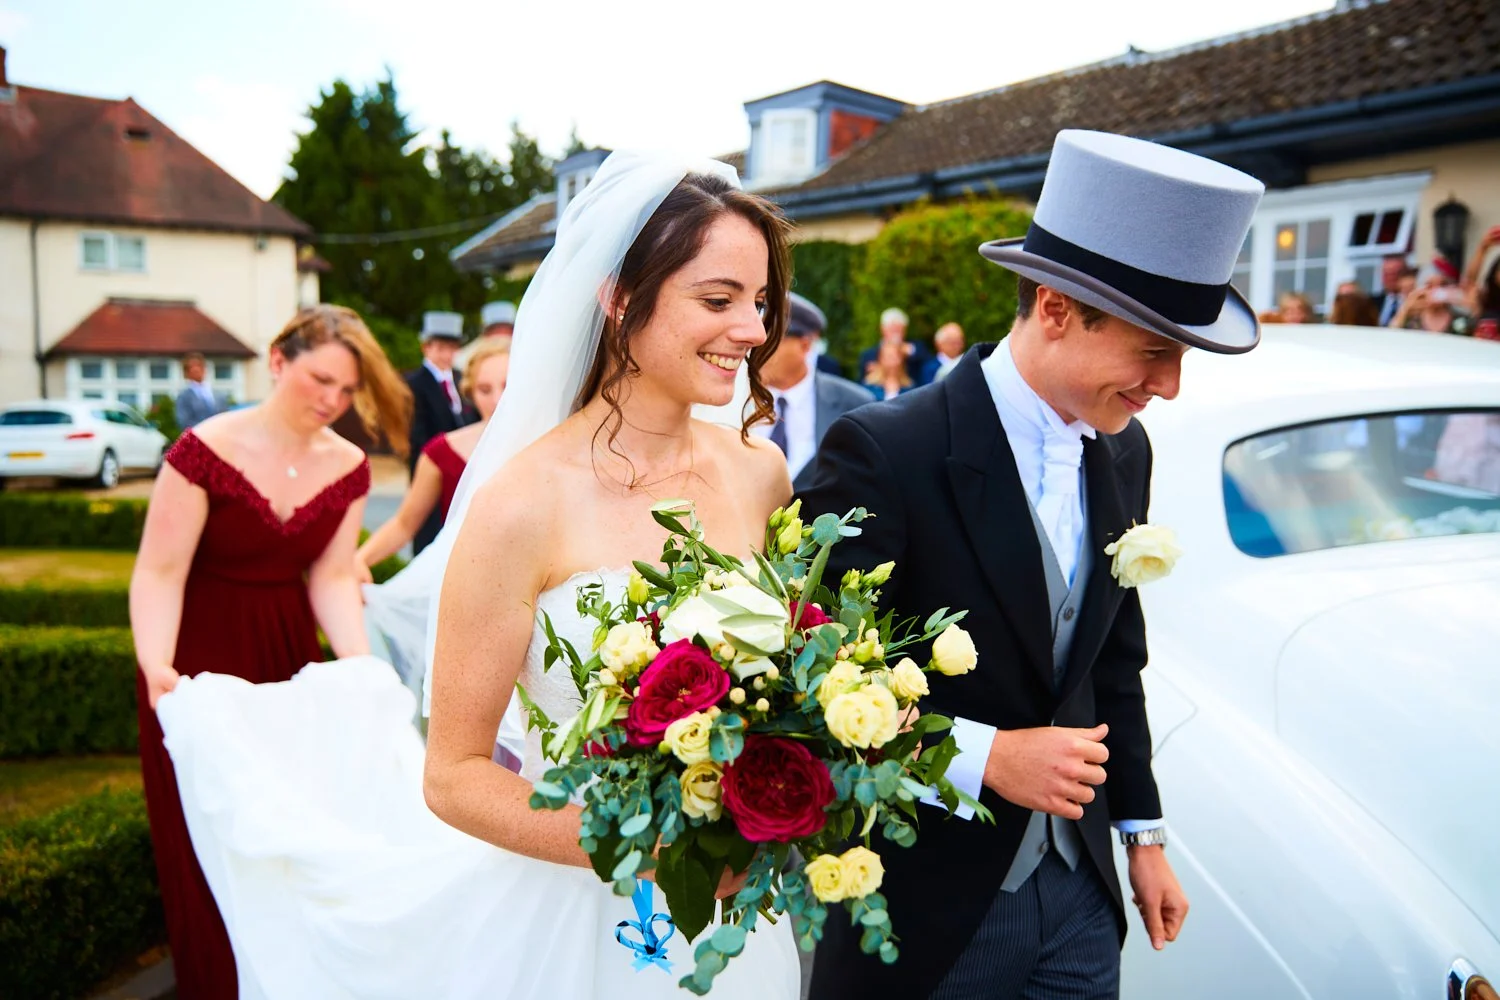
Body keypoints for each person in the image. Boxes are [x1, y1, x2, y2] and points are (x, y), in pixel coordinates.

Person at [148, 152, 801, 1000]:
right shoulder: (521, 505)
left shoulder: (763, 473)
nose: (753, 330)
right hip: (589, 917)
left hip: (748, 916)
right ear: (619, 298)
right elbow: (453, 774)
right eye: (717, 300)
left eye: (757, 301)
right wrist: (646, 847)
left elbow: (790, 676)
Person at [802, 129, 1263, 1000]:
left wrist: (1142, 834)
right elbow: (815, 680)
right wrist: (982, 758)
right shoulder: (883, 450)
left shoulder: (1126, 453)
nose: (1169, 385)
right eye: (1153, 349)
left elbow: (1113, 662)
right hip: (925, 906)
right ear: (1054, 309)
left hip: (1082, 900)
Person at [129, 304, 410, 999]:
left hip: (289, 662)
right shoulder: (201, 450)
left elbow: (332, 576)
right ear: (277, 360)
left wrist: (358, 665)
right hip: (194, 662)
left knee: (294, 841)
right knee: (208, 852)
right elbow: (159, 571)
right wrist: (156, 666)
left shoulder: (349, 466)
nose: (331, 402)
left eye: (346, 392)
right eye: (320, 380)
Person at [356, 339, 510, 582]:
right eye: (484, 389)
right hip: (460, 581)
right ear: (470, 392)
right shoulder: (442, 452)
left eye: (507, 385)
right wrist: (359, 561)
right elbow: (404, 524)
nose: (496, 399)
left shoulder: (550, 446)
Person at [753, 291, 874, 490]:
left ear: (804, 346)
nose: (756, 348)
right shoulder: (729, 400)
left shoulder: (854, 403)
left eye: (770, 340)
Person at [406, 311, 473, 553]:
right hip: (432, 468)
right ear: (427, 348)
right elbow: (416, 434)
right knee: (429, 531)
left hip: (461, 471)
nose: (447, 355)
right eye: (441, 348)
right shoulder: (415, 383)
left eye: (452, 348)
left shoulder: (460, 379)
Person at [858, 306, 934, 385]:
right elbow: (861, 383)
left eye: (898, 329)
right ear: (882, 328)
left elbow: (929, 366)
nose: (895, 333)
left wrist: (909, 351)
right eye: (892, 329)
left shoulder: (916, 348)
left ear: (905, 329)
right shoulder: (868, 355)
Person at [457, 299, 517, 369]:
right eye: (495, 330)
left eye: (506, 330)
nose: (501, 335)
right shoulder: (471, 354)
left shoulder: (521, 349)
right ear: (486, 334)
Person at [173, 353, 225, 430]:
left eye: (199, 366)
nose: (196, 369)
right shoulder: (183, 397)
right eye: (192, 367)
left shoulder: (218, 394)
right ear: (186, 372)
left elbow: (225, 416)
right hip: (199, 436)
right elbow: (184, 421)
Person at [1376, 253, 1410, 326]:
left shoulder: (1414, 302)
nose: (1391, 278)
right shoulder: (1372, 303)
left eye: (1395, 273)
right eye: (1387, 274)